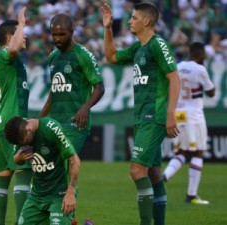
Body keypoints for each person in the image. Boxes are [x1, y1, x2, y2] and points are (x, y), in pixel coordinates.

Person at [101, 2, 180, 225]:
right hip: (141, 116)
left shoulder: (158, 45)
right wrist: (107, 28)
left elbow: (174, 78)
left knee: (137, 170)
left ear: (146, 21)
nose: (129, 21)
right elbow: (111, 57)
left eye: (134, 18)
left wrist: (171, 113)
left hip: (154, 116)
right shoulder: (138, 48)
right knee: (154, 174)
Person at [0, 7, 32, 225]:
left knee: (3, 175)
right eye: (21, 32)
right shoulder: (6, 56)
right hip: (10, 125)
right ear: (9, 37)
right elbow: (12, 50)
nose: (25, 36)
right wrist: (21, 23)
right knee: (24, 170)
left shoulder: (1, 62)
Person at [39, 13, 105, 155]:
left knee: (64, 167)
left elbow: (99, 87)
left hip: (75, 123)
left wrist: (85, 108)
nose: (57, 39)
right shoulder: (53, 57)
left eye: (61, 34)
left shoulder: (83, 55)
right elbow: (53, 92)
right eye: (54, 34)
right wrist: (40, 119)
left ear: (72, 32)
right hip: (55, 122)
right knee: (50, 170)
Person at [162, 42, 215, 205]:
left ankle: (165, 176)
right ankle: (191, 195)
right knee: (198, 152)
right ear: (199, 53)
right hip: (194, 115)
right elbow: (212, 92)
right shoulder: (200, 69)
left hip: (179, 113)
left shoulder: (177, 66)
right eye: (204, 54)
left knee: (182, 152)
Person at [4, 116, 80, 225]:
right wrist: (19, 158)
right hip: (36, 196)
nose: (24, 146)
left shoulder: (50, 128)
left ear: (28, 130)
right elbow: (16, 158)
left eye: (24, 142)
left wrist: (70, 193)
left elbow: (74, 159)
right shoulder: (19, 132)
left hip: (60, 194)